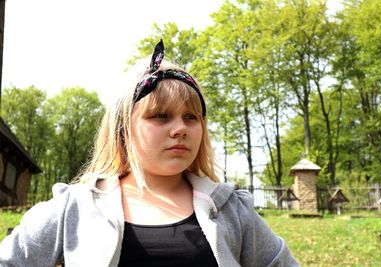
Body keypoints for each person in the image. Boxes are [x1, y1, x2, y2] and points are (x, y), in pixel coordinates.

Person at [0, 39, 299, 267]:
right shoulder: (74, 207)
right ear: (123, 128)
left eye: (191, 117)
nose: (180, 128)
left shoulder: (233, 209)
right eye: (160, 116)